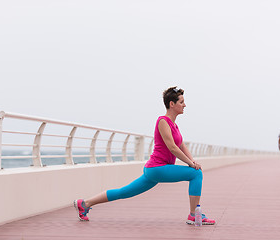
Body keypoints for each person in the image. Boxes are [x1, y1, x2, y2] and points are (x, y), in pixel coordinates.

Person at [74, 86, 215, 225]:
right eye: (181, 102)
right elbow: (172, 147)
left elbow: (182, 146)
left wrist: (193, 161)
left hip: (155, 170)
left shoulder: (174, 125)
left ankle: (85, 204)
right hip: (158, 168)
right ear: (172, 104)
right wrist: (191, 165)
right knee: (195, 174)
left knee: (124, 192)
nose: (185, 105)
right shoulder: (163, 121)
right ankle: (193, 215)